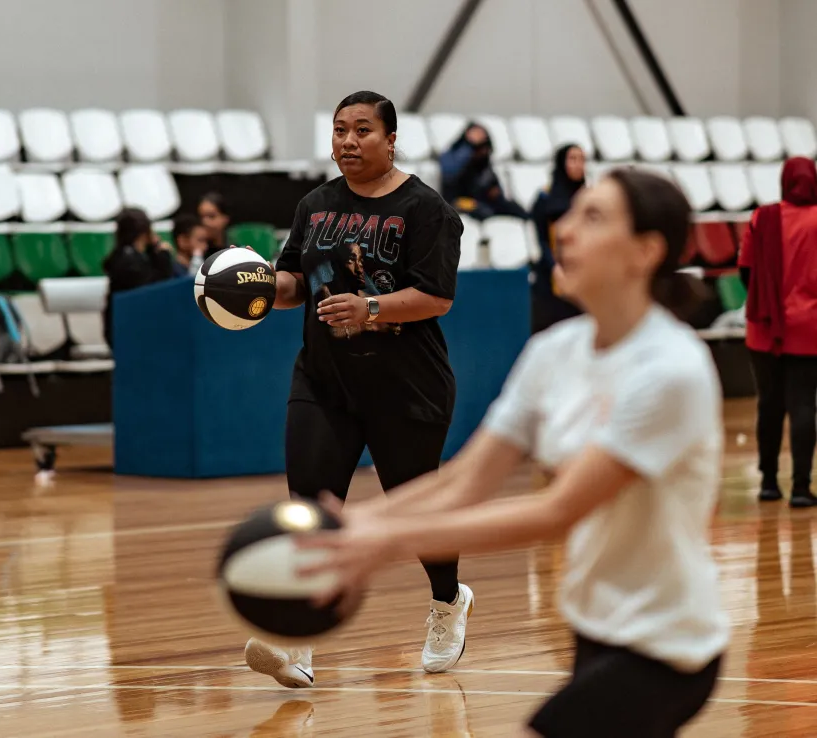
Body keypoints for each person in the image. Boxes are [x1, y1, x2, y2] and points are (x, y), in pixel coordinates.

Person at [299, 169, 729, 737]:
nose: (565, 231)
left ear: (646, 251)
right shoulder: (553, 352)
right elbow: (468, 479)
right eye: (570, 213)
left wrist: (384, 542)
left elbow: (557, 511)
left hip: (669, 644)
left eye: (593, 217)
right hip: (593, 623)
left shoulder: (671, 370)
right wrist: (350, 521)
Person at [243, 90, 473, 689]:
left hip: (406, 386)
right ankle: (299, 639)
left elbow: (437, 296)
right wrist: (260, 289)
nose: (348, 140)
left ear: (391, 139)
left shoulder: (426, 209)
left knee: (415, 511)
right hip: (323, 380)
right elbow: (296, 279)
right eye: (340, 130)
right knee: (313, 509)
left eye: (363, 130)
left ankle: (449, 601)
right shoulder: (315, 204)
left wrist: (370, 308)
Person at [738, 156, 817, 508]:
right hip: (809, 328)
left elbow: (745, 272)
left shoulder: (762, 217)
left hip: (765, 329)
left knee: (769, 405)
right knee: (803, 405)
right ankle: (801, 487)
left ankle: (769, 482)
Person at [531, 144, 587, 333]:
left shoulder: (589, 198)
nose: (579, 165)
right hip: (550, 277)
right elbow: (541, 239)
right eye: (573, 159)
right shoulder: (545, 197)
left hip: (583, 274)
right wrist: (555, 267)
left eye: (582, 160)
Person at [102, 208, 173, 348]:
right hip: (131, 330)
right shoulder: (130, 262)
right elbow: (156, 288)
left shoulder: (123, 257)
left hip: (121, 326)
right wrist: (162, 255)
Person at [440, 123, 528, 220]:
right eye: (478, 146)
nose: (483, 151)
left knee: (516, 210)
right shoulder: (455, 156)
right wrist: (470, 145)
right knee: (483, 211)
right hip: (462, 201)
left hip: (484, 200)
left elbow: (493, 187)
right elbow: (451, 175)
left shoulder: (484, 164)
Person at [197, 192, 231, 257]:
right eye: (201, 217)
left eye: (211, 216)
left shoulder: (235, 251)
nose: (204, 222)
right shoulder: (194, 253)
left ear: (225, 218)